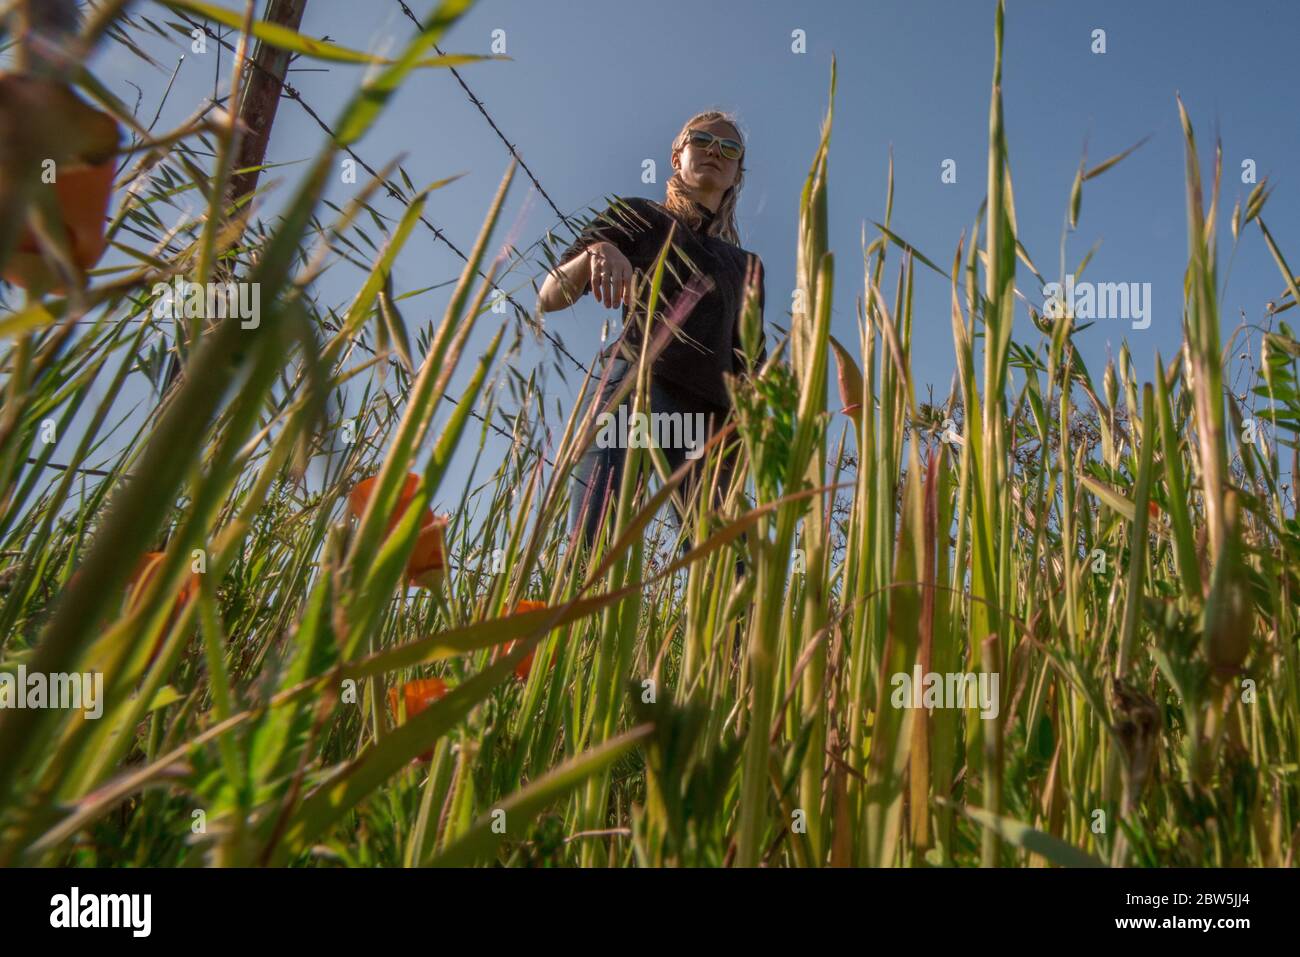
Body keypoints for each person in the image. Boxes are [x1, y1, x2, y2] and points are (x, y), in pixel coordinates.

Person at [538, 111, 766, 545]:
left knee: (725, 568)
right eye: (702, 141)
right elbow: (549, 296)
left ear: (738, 173)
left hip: (711, 422)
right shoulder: (638, 214)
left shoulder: (746, 265)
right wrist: (598, 252)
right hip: (637, 390)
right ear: (677, 155)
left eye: (730, 148)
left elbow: (751, 360)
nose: (715, 151)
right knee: (592, 542)